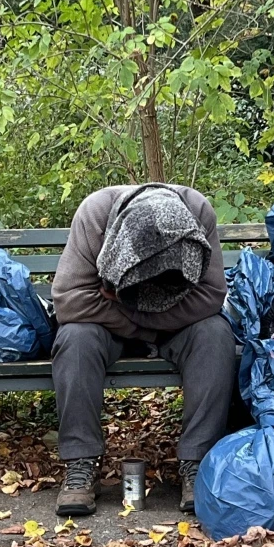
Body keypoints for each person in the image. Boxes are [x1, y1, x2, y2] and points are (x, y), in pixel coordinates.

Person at [50, 184, 236, 516]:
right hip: (108, 327)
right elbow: (69, 300)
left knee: (215, 334)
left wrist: (139, 315)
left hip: (170, 326)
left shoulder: (198, 209)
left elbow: (210, 296)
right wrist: (143, 319)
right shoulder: (95, 213)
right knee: (74, 338)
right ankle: (81, 464)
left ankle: (197, 463)